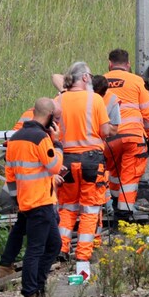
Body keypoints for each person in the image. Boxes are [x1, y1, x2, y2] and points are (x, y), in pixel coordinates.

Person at [3, 98, 64, 297]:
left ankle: (38, 290)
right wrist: (56, 143)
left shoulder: (16, 138)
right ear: (48, 117)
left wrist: (18, 198)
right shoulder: (42, 138)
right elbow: (54, 166)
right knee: (37, 250)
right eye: (54, 118)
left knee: (53, 245)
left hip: (28, 201)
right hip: (40, 202)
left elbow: (9, 173)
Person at [54, 62, 111, 273]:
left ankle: (60, 248)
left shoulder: (58, 100)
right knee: (90, 208)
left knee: (67, 206)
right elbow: (104, 130)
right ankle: (83, 255)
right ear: (85, 78)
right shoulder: (94, 99)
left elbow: (53, 131)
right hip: (91, 160)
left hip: (66, 160)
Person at [103, 49, 149, 218]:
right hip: (132, 137)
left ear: (110, 64)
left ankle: (113, 204)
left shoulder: (100, 81)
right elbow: (148, 113)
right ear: (128, 64)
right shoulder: (136, 81)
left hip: (108, 139)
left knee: (113, 173)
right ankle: (124, 212)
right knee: (129, 175)